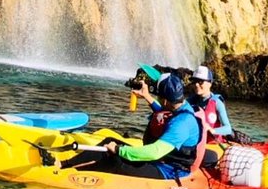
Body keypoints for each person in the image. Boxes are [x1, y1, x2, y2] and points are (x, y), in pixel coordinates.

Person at [57, 74, 205, 179]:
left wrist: (119, 150)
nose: (158, 98)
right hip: (161, 161)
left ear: (165, 100)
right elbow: (164, 111)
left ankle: (71, 174)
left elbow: (155, 152)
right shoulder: (182, 106)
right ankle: (63, 164)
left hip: (170, 170)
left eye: (158, 96)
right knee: (109, 140)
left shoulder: (182, 123)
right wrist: (147, 96)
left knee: (116, 159)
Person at [187, 66, 233, 143]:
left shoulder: (217, 102)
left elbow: (228, 129)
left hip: (212, 144)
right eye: (194, 81)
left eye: (200, 82)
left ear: (210, 84)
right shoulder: (191, 100)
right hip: (196, 142)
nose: (196, 85)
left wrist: (212, 130)